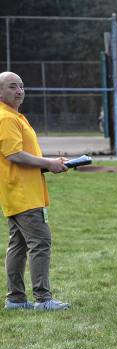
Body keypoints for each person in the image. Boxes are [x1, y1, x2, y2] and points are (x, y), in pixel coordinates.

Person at [0, 72, 70, 311]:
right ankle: (43, 299)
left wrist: (49, 164)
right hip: (23, 194)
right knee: (40, 241)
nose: (19, 90)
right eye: (12, 87)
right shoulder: (6, 118)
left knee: (18, 245)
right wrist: (47, 163)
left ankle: (16, 300)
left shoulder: (14, 116)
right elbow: (14, 155)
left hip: (19, 192)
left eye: (21, 86)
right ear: (0, 92)